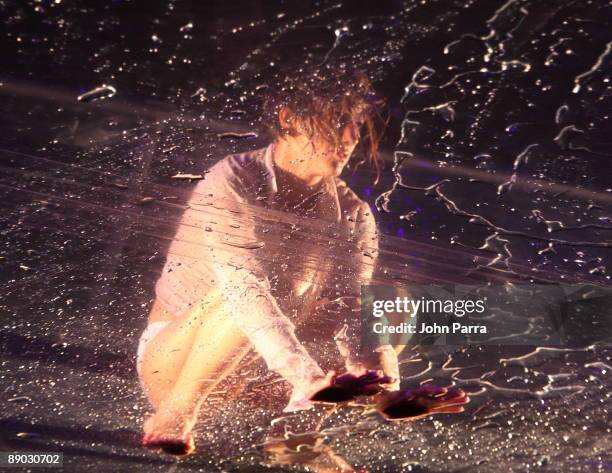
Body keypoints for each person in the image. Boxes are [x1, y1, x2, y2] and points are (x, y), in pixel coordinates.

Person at [137, 67, 468, 456]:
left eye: (356, 125)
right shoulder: (232, 179)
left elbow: (350, 305)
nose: (350, 139)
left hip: (267, 374)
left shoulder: (352, 211)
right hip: (177, 366)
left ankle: (297, 440)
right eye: (338, 122)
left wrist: (385, 389)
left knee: (389, 300)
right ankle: (174, 414)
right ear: (289, 119)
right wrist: (306, 376)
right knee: (240, 292)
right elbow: (244, 290)